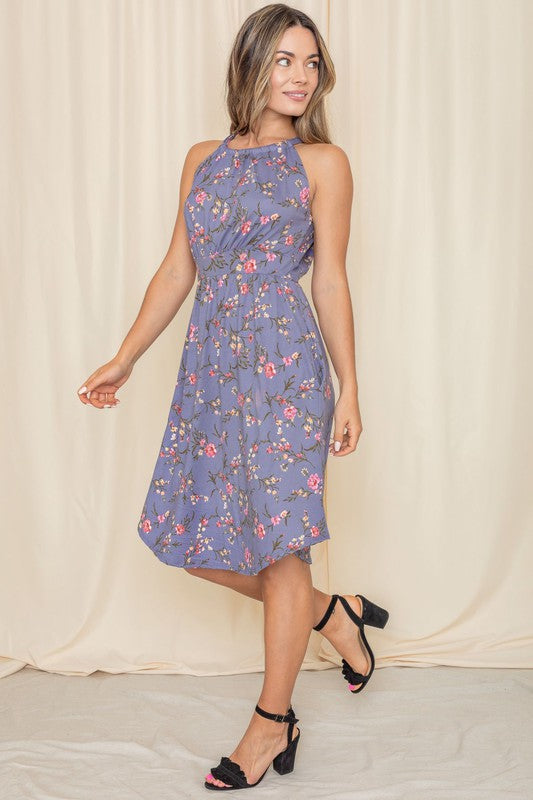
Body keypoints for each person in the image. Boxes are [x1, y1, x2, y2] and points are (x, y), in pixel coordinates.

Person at [77, 3, 389, 791]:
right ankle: (329, 614)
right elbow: (178, 268)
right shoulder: (201, 160)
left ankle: (270, 721)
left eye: (311, 63)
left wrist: (350, 386)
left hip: (285, 368)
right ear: (250, 63)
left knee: (281, 546)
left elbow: (329, 277)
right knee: (200, 543)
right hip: (210, 370)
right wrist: (124, 357)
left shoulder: (323, 162)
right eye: (285, 60)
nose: (300, 77)